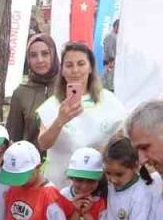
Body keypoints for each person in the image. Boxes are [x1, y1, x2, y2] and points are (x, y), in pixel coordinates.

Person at [36, 41, 126, 186]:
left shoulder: (109, 100)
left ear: (90, 67)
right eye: (69, 65)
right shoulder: (51, 105)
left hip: (99, 182)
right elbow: (43, 144)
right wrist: (60, 121)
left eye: (81, 63)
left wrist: (106, 148)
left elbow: (124, 134)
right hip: (61, 184)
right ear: (63, 70)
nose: (75, 70)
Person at [7, 34, 59, 145]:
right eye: (33, 55)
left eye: (45, 54)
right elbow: (14, 137)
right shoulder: (20, 93)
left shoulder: (67, 88)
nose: (40, 60)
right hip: (31, 161)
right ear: (28, 59)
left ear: (53, 55)